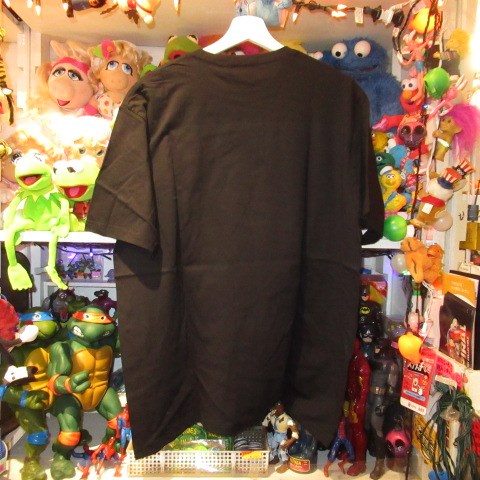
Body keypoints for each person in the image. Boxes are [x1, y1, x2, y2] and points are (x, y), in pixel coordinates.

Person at [365, 338, 400, 480]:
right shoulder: (373, 359)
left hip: (379, 398)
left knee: (377, 429)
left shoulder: (391, 365)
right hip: (370, 396)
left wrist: (384, 404)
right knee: (367, 426)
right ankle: (371, 451)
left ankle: (380, 464)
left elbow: (392, 389)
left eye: (380, 345)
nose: (377, 348)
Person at [262, 401, 299, 473]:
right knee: (272, 447)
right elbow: (265, 422)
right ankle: (275, 458)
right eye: (275, 407)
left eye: (278, 408)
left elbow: (295, 432)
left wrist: (290, 441)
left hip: (283, 436)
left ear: (282, 408)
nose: (275, 410)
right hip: (275, 435)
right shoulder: (271, 415)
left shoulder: (288, 419)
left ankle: (285, 464)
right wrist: (263, 432)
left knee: (283, 450)